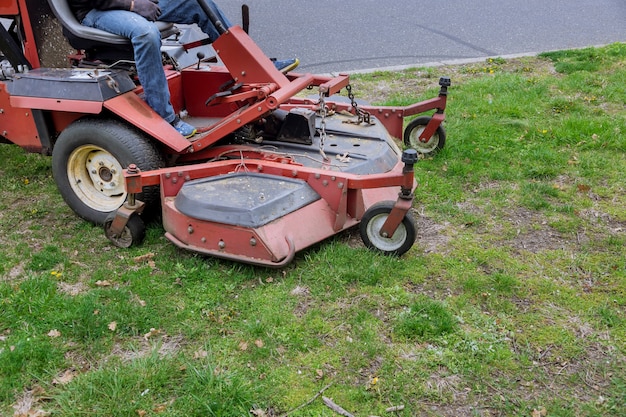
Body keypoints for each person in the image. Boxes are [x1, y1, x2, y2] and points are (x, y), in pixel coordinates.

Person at [68, 0, 297, 138]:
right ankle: (164, 117)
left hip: (131, 3)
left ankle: (255, 67)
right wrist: (132, 5)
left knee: (195, 3)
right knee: (146, 34)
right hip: (96, 11)